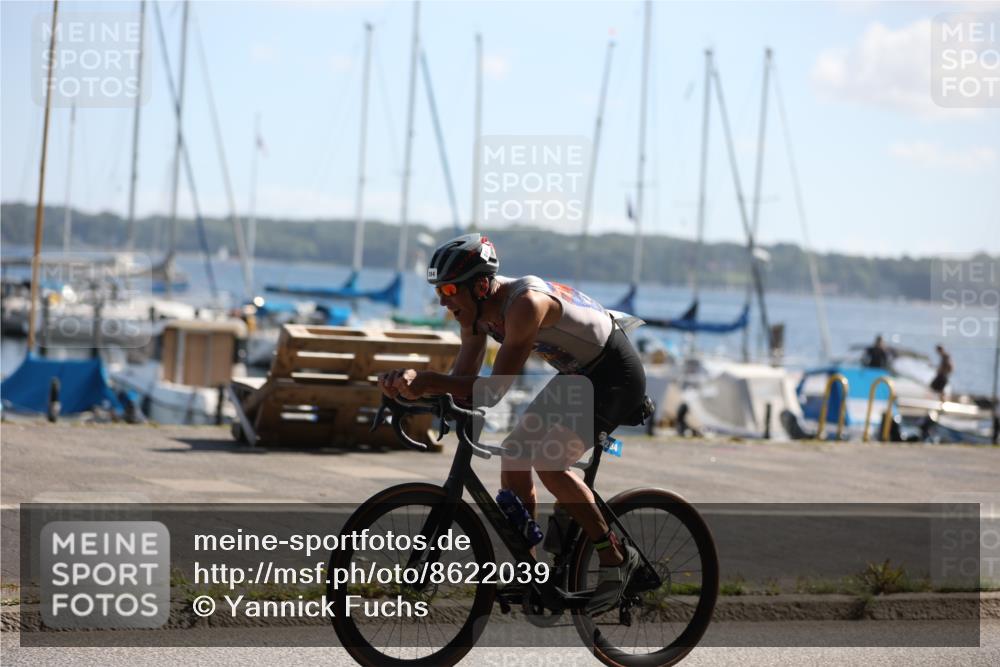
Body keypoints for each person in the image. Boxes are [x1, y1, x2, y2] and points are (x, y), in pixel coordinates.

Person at [378, 233, 647, 615]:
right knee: (514, 455)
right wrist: (410, 390)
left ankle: (616, 557)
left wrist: (429, 381)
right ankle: (529, 570)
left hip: (615, 374)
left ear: (482, 285)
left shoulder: (525, 305)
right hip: (577, 375)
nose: (443, 300)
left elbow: (493, 391)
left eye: (450, 289)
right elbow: (463, 385)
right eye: (440, 290)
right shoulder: (472, 315)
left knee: (550, 462)